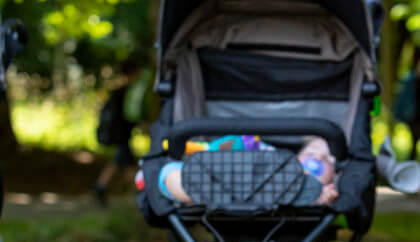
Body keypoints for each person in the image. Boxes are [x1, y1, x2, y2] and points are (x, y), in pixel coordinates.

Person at [157, 134, 340, 206]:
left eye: (326, 159)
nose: (317, 159)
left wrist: (321, 197)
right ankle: (191, 189)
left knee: (306, 192)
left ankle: (305, 193)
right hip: (226, 175)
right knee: (172, 171)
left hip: (280, 198)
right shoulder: (278, 158)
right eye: (311, 153)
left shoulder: (323, 189)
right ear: (296, 157)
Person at [94, 58, 150, 205]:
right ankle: (139, 194)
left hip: (121, 134)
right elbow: (129, 114)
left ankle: (102, 187)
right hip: (121, 134)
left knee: (123, 162)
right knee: (127, 163)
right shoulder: (128, 92)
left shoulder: (125, 91)